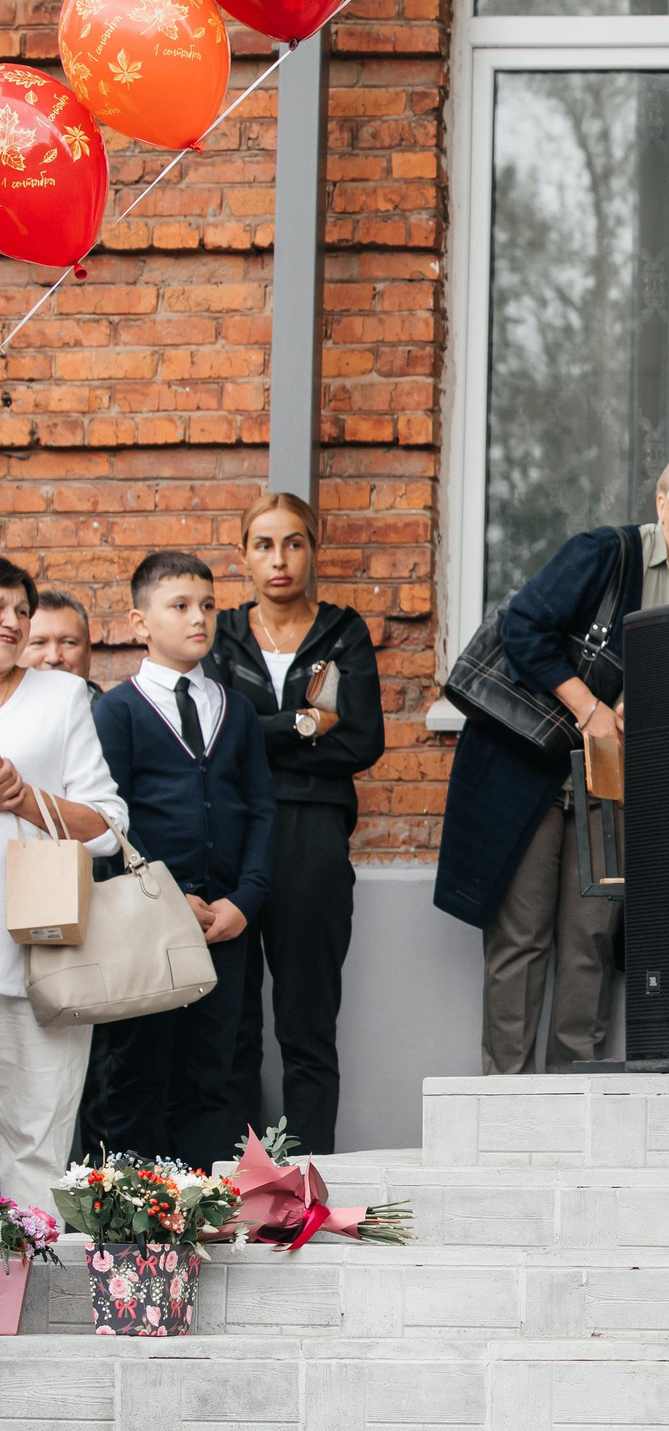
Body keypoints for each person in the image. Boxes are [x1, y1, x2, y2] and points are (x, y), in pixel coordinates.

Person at [436, 447, 669, 1074]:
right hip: (529, 770)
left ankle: (574, 1099)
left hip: (615, 786)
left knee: (591, 942)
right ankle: (505, 1101)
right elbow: (523, 628)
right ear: (662, 501)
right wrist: (591, 706)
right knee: (521, 939)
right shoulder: (605, 553)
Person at [209, 493, 385, 1155]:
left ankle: (306, 1180)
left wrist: (257, 735)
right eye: (263, 544)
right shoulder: (223, 633)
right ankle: (229, 1181)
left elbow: (361, 738)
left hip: (313, 835)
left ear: (315, 547)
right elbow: (217, 735)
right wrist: (304, 725)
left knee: (308, 1021)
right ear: (244, 555)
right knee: (233, 1023)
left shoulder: (342, 633)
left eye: (293, 543)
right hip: (230, 835)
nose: (278, 559)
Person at [89, 551, 274, 1170]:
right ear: (140, 624)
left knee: (209, 1074)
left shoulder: (237, 710)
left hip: (222, 923)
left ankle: (197, 1213)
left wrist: (245, 902)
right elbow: (107, 820)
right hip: (146, 925)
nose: (198, 618)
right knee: (139, 1074)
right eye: (180, 606)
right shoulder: (116, 712)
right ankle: (136, 1224)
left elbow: (261, 812)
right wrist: (164, 901)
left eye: (207, 605)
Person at [0, 558, 127, 1206]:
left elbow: (109, 825)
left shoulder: (60, 696)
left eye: (20, 610)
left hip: (38, 953)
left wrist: (25, 799)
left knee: (36, 1144)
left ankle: (13, 1307)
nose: (12, 622)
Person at [26, 590, 98, 688]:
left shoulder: (112, 703)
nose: (54, 658)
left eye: (68, 643)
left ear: (88, 652)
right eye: (38, 643)